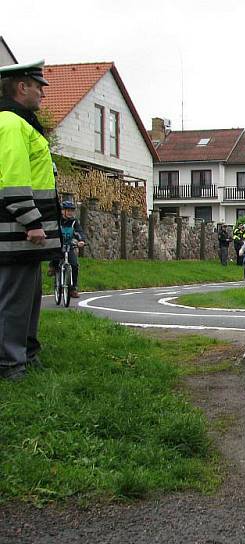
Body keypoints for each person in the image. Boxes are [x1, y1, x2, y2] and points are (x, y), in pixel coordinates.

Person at [0, 60, 61, 380]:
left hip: (23, 232)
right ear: (22, 86)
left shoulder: (23, 122)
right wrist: (32, 222)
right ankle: (10, 363)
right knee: (14, 298)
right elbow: (13, 179)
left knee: (28, 296)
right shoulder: (10, 123)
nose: (42, 93)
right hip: (17, 232)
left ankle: (25, 352)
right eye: (38, 86)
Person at [47, 198, 85, 298]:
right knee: (55, 257)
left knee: (74, 265)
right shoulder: (57, 221)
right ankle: (52, 266)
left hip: (69, 246)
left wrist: (81, 240)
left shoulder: (74, 222)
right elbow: (52, 230)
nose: (70, 213)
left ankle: (73, 288)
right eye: (68, 210)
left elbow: (78, 232)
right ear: (63, 211)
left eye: (72, 210)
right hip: (58, 245)